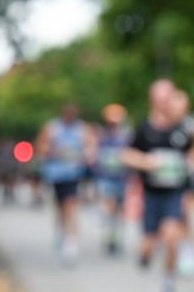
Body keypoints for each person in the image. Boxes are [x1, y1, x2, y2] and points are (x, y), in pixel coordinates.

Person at [123, 80, 194, 292]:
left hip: (174, 192)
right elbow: (127, 154)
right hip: (151, 193)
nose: (164, 102)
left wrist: (193, 161)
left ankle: (168, 278)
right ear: (153, 100)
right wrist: (145, 161)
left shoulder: (185, 128)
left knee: (171, 236)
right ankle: (146, 253)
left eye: (168, 97)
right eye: (160, 97)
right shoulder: (144, 128)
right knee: (148, 242)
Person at [36, 103, 97, 265]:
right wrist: (53, 150)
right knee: (60, 207)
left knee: (71, 205)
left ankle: (71, 242)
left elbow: (92, 146)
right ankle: (61, 232)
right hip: (56, 175)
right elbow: (41, 146)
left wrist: (87, 154)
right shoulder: (52, 127)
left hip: (74, 174)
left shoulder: (82, 129)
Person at [170, 88, 194, 278]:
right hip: (166, 179)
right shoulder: (164, 125)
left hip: (185, 178)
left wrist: (192, 162)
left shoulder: (192, 126)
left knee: (186, 214)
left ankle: (187, 250)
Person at [95, 103, 133, 256]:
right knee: (109, 205)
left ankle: (116, 237)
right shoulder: (102, 135)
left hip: (122, 178)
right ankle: (109, 236)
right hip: (106, 177)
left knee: (120, 210)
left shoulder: (126, 135)